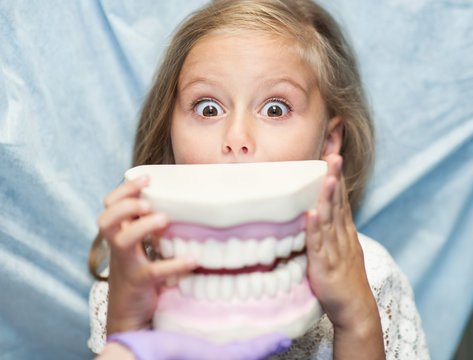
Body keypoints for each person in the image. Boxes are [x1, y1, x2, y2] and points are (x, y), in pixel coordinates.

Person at [88, 0, 430, 359]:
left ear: (329, 143)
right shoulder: (126, 285)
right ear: (169, 133)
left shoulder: (372, 280)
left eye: (275, 109)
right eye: (208, 108)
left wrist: (357, 321)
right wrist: (128, 329)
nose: (237, 137)